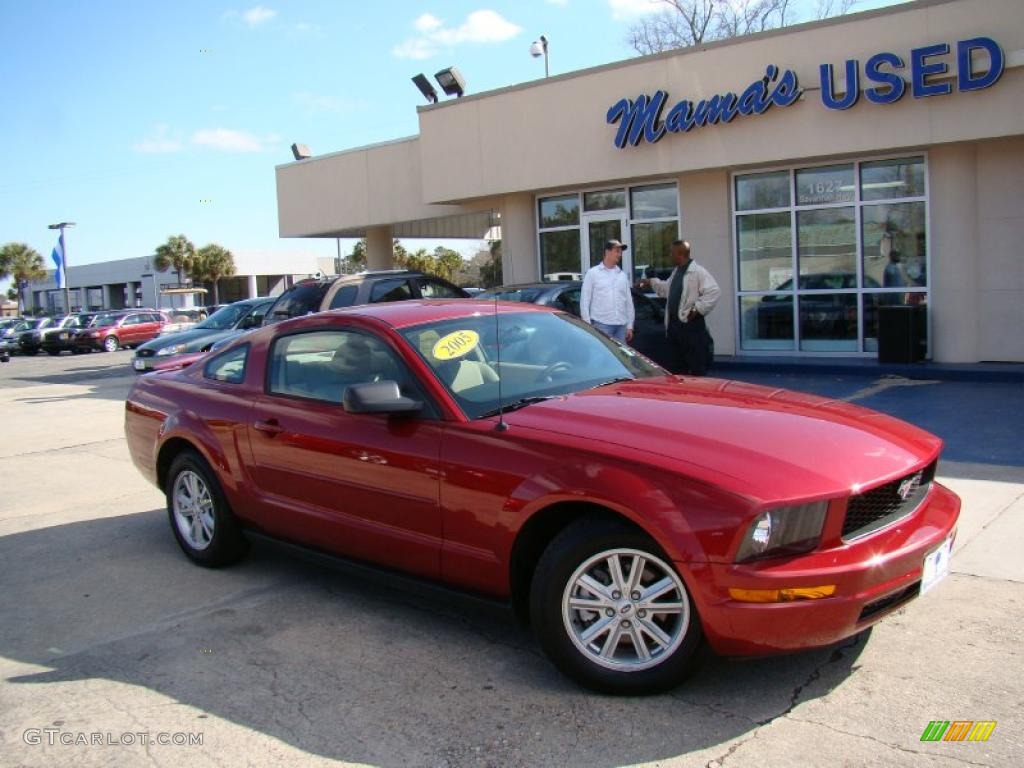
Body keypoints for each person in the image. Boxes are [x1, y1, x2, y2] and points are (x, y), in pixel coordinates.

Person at [641, 240, 721, 376]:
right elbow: (667, 289)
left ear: (680, 254)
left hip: (691, 328)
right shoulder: (677, 272)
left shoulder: (697, 272)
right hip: (674, 328)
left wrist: (697, 309)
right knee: (677, 367)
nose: (670, 256)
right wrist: (651, 282)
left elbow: (714, 291)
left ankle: (696, 394)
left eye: (672, 253)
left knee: (696, 367)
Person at [580, 239, 634, 344]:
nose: (620, 254)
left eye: (621, 252)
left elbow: (628, 302)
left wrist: (630, 326)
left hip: (621, 326)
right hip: (601, 325)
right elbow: (585, 299)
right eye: (617, 251)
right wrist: (587, 324)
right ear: (607, 252)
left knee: (621, 358)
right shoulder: (593, 273)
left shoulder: (622, 275)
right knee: (601, 357)